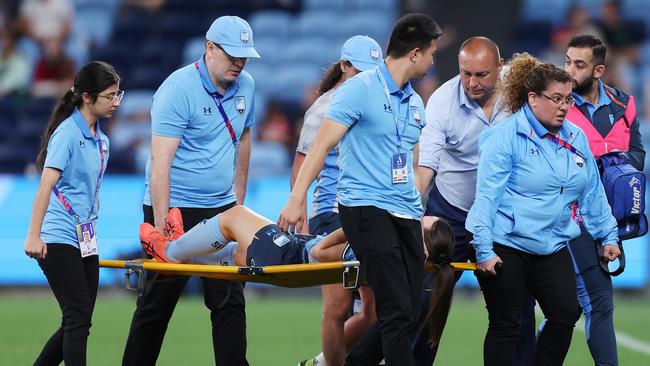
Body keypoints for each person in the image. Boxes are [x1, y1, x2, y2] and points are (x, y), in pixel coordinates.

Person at [279, 14, 442, 365]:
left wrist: (417, 205)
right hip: (364, 208)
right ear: (414, 53)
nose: (433, 61)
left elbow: (412, 166)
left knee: (410, 309)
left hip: (405, 212)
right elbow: (320, 148)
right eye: (431, 53)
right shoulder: (358, 90)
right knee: (393, 308)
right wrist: (296, 200)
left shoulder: (415, 104)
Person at [465, 52, 621, 366]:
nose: (565, 106)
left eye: (569, 99)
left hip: (552, 244)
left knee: (564, 313)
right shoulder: (503, 138)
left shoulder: (576, 138)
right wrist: (483, 248)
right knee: (506, 322)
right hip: (505, 243)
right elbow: (486, 198)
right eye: (557, 99)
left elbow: (592, 192)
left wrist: (608, 236)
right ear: (533, 99)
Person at [121, 15, 259, 366]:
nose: (239, 62)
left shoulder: (248, 86)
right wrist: (164, 226)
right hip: (176, 210)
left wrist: (237, 206)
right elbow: (160, 162)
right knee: (158, 302)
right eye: (232, 55)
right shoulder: (177, 88)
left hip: (222, 209)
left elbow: (244, 140)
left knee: (229, 300)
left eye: (244, 56)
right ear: (210, 49)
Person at [139, 207, 458, 352]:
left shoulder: (373, 252)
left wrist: (357, 226)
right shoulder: (398, 269)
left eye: (417, 224)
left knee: (234, 216)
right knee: (236, 253)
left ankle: (171, 248)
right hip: (289, 255)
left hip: (288, 256)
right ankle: (181, 243)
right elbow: (368, 313)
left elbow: (320, 253)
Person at [414, 37, 536, 365]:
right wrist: (410, 211)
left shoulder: (523, 88)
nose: (471, 82)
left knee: (517, 307)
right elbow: (426, 167)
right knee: (425, 302)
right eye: (465, 73)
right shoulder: (441, 101)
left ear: (501, 68)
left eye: (481, 74)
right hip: (449, 213)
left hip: (502, 216)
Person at [290, 35, 382, 366]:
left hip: (366, 215)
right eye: (361, 71)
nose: (369, 78)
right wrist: (298, 207)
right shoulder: (325, 108)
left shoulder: (376, 102)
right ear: (344, 67)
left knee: (372, 311)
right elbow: (302, 164)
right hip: (331, 215)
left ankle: (321, 362)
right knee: (339, 307)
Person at [23, 60, 122, 366]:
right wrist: (33, 235)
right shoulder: (67, 134)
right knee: (78, 317)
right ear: (87, 97)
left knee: (77, 320)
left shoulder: (102, 140)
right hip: (58, 236)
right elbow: (45, 187)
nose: (116, 102)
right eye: (110, 96)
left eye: (119, 94)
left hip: (85, 238)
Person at [563, 34, 645, 366]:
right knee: (599, 301)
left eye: (578, 65)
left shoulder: (624, 105)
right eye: (567, 61)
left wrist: (617, 168)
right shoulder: (558, 105)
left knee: (568, 309)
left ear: (598, 71)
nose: (569, 71)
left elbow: (638, 152)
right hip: (570, 218)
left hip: (608, 219)